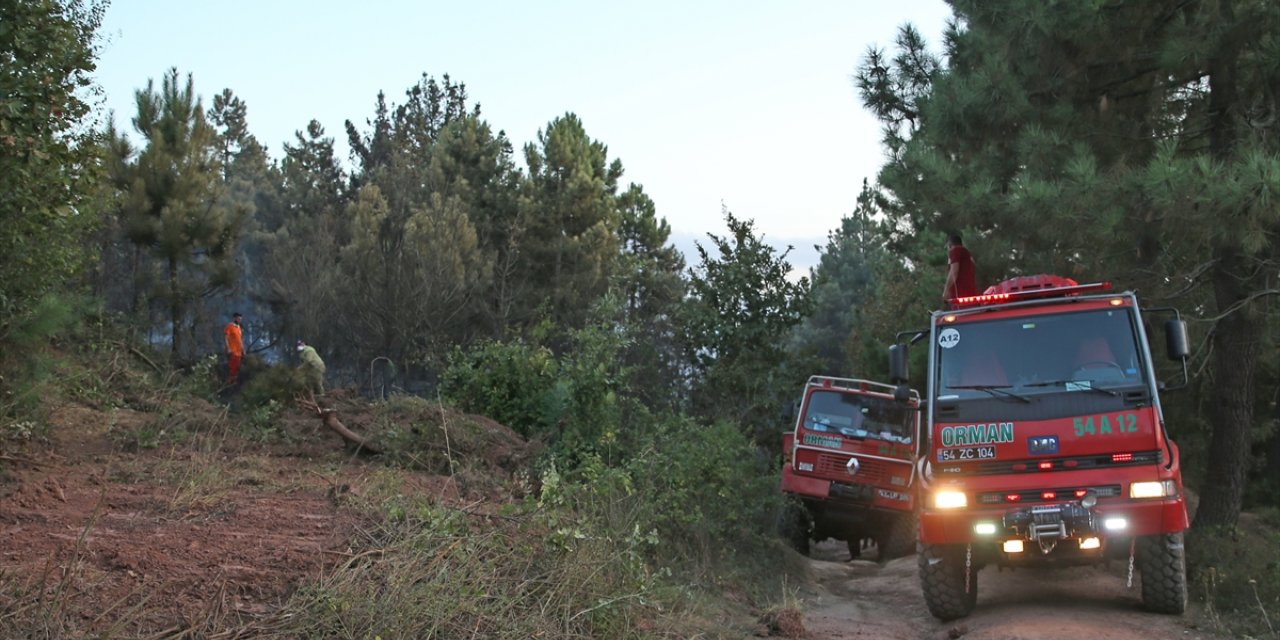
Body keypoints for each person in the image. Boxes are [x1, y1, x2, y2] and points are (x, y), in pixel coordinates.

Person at [943, 233, 977, 302]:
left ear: (949, 245)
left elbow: (953, 272)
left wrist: (946, 290)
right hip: (970, 294)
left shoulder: (955, 250)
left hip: (960, 297)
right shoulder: (967, 254)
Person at [224, 312, 243, 386]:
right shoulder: (230, 326)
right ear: (235, 318)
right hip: (233, 350)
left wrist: (242, 349)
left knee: (237, 366)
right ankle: (229, 381)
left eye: (240, 319)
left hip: (239, 351)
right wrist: (228, 347)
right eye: (238, 318)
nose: (239, 320)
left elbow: (240, 340)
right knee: (232, 366)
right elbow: (226, 337)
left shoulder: (238, 328)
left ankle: (233, 381)